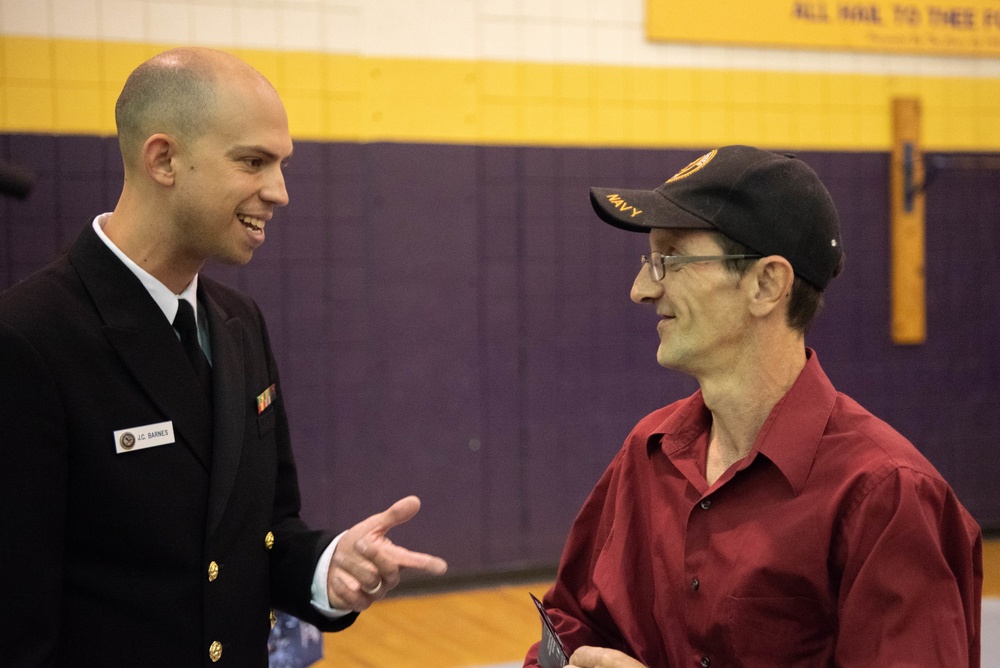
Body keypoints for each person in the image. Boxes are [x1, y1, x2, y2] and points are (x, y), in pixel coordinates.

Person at [0, 47, 447, 666]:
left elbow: (262, 530)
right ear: (163, 160)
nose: (280, 192)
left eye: (281, 165)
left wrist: (327, 565)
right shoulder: (29, 339)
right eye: (254, 162)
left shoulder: (239, 324)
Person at [524, 145, 982, 667]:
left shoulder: (885, 494)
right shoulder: (647, 454)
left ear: (767, 284)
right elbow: (570, 630)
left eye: (668, 261)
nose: (641, 290)